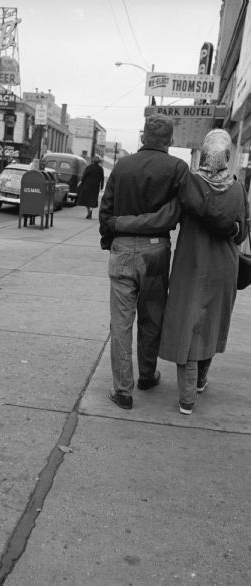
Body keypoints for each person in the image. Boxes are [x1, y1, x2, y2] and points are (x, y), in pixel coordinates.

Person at [111, 128, 249, 415]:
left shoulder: (192, 184)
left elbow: (170, 215)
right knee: (211, 322)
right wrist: (231, 227)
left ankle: (186, 397)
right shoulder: (238, 188)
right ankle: (199, 380)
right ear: (227, 155)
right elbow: (240, 233)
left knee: (187, 323)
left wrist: (121, 224)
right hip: (225, 267)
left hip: (191, 266)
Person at [98, 114, 189, 410]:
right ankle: (147, 375)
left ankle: (123, 390)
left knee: (121, 323)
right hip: (156, 251)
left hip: (122, 248)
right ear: (170, 141)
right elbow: (188, 206)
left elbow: (106, 209)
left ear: (141, 137)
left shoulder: (122, 166)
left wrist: (108, 239)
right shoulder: (177, 168)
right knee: (152, 316)